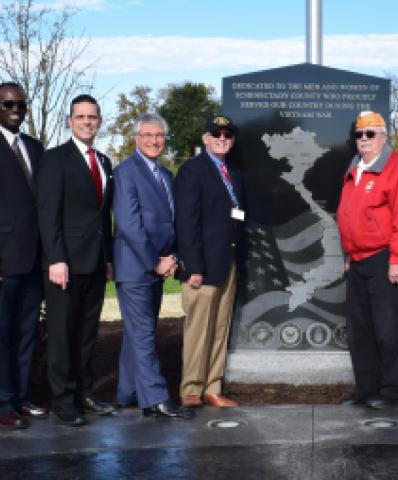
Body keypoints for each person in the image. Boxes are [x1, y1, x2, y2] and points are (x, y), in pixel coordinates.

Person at [38, 94, 115, 426]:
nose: (87, 121)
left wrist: (108, 259)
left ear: (99, 121)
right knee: (61, 334)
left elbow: (103, 218)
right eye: (80, 116)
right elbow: (47, 213)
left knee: (86, 334)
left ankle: (84, 392)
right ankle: (63, 399)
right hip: (64, 265)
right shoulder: (55, 159)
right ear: (69, 121)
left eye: (92, 116)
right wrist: (56, 258)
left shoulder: (104, 161)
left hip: (95, 263)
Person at [112, 113, 193, 420]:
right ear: (136, 138)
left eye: (159, 135)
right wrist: (154, 262)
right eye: (147, 135)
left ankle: (128, 392)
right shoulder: (126, 172)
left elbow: (173, 222)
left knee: (138, 332)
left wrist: (172, 256)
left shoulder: (166, 175)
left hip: (159, 265)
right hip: (135, 267)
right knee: (144, 333)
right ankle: (155, 399)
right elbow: (130, 225)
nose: (154, 141)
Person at [336, 111, 398, 409]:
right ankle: (366, 389)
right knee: (361, 328)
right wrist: (348, 253)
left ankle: (394, 392)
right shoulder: (355, 166)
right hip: (356, 260)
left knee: (390, 328)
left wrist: (397, 259)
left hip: (384, 258)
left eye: (370, 134)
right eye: (359, 135)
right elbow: (348, 213)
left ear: (383, 136)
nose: (364, 140)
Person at [173, 115, 244, 408]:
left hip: (228, 262)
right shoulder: (192, 170)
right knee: (199, 330)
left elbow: (237, 215)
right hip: (202, 267)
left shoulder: (233, 173)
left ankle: (212, 387)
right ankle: (191, 389)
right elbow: (186, 223)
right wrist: (194, 267)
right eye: (216, 134)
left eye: (227, 134)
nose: (222, 138)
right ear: (205, 138)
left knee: (218, 329)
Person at [0, 82, 47, 429]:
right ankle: (3, 403)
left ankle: (21, 396)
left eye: (21, 103)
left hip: (34, 260)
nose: (16, 108)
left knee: (26, 332)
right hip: (4, 261)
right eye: (8, 103)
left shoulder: (34, 146)